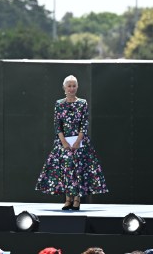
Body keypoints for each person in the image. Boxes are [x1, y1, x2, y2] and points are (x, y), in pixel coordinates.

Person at [36, 74, 109, 210]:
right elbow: (57, 124)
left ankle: (77, 199)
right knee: (65, 169)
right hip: (64, 143)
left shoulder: (82, 103)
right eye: (69, 86)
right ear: (64, 87)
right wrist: (63, 141)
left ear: (77, 87)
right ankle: (67, 199)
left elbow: (84, 123)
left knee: (79, 169)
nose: (71, 88)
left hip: (79, 142)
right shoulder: (59, 104)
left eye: (74, 86)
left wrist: (78, 140)